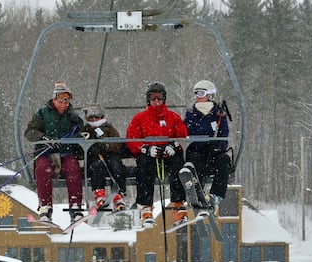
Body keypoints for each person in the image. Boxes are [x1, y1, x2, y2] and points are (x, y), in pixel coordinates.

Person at [126, 82, 189, 226]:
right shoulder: (140, 118)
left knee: (178, 164)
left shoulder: (172, 117)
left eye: (159, 97)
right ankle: (145, 207)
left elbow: (182, 135)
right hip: (149, 155)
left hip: (168, 154)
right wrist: (145, 149)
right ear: (148, 99)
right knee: (144, 166)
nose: (156, 101)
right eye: (153, 97)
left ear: (164, 99)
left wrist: (174, 145)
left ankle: (178, 204)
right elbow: (132, 139)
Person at [25, 82, 84, 222]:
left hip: (65, 153)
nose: (63, 105)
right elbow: (30, 132)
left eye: (66, 102)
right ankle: (45, 206)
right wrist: (44, 138)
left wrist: (76, 137)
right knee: (42, 169)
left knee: (73, 168)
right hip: (46, 153)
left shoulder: (72, 116)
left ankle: (75, 206)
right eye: (60, 102)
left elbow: (82, 131)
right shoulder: (42, 113)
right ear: (54, 100)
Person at [180, 80, 231, 212]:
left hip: (213, 152)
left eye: (201, 93)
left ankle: (215, 196)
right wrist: (199, 141)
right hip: (197, 150)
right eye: (196, 93)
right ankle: (198, 192)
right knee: (195, 161)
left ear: (210, 95)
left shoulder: (218, 114)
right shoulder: (191, 114)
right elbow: (185, 132)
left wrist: (219, 146)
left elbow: (224, 134)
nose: (198, 96)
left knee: (224, 160)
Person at [80, 103, 127, 211]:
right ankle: (99, 194)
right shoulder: (86, 130)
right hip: (94, 156)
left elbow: (117, 142)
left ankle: (118, 195)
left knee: (116, 166)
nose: (94, 119)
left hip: (110, 155)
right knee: (97, 166)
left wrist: (107, 146)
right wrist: (92, 147)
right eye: (91, 117)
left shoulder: (108, 128)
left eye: (96, 117)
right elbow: (82, 146)